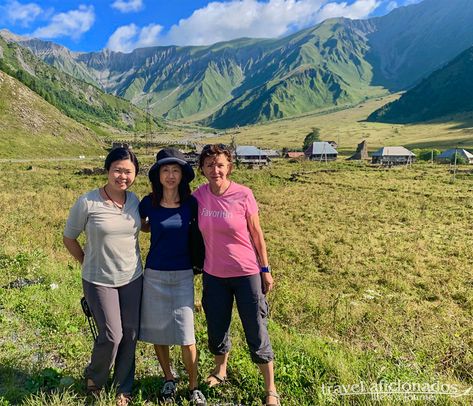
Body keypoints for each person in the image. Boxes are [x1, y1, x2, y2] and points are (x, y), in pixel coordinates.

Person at [193, 144, 280, 406]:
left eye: (220, 164)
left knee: (256, 327)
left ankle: (271, 388)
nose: (215, 169)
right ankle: (221, 370)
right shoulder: (198, 196)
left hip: (246, 274)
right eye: (209, 164)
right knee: (217, 326)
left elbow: (257, 235)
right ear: (202, 169)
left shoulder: (243, 195)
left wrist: (265, 269)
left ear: (229, 167)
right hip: (213, 274)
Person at [63, 147, 142, 406]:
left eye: (128, 171)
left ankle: (123, 387)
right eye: (117, 170)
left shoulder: (134, 202)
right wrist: (86, 262)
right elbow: (69, 238)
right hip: (98, 279)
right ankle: (95, 379)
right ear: (107, 170)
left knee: (130, 334)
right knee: (111, 335)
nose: (122, 176)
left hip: (133, 277)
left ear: (135, 174)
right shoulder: (87, 202)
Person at [139, 148, 206, 405]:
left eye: (175, 170)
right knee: (159, 332)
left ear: (182, 175)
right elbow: (141, 223)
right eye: (165, 170)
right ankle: (168, 378)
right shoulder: (148, 202)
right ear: (158, 175)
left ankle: (193, 386)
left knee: (186, 336)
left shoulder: (191, 203)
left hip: (183, 275)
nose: (170, 175)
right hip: (154, 274)